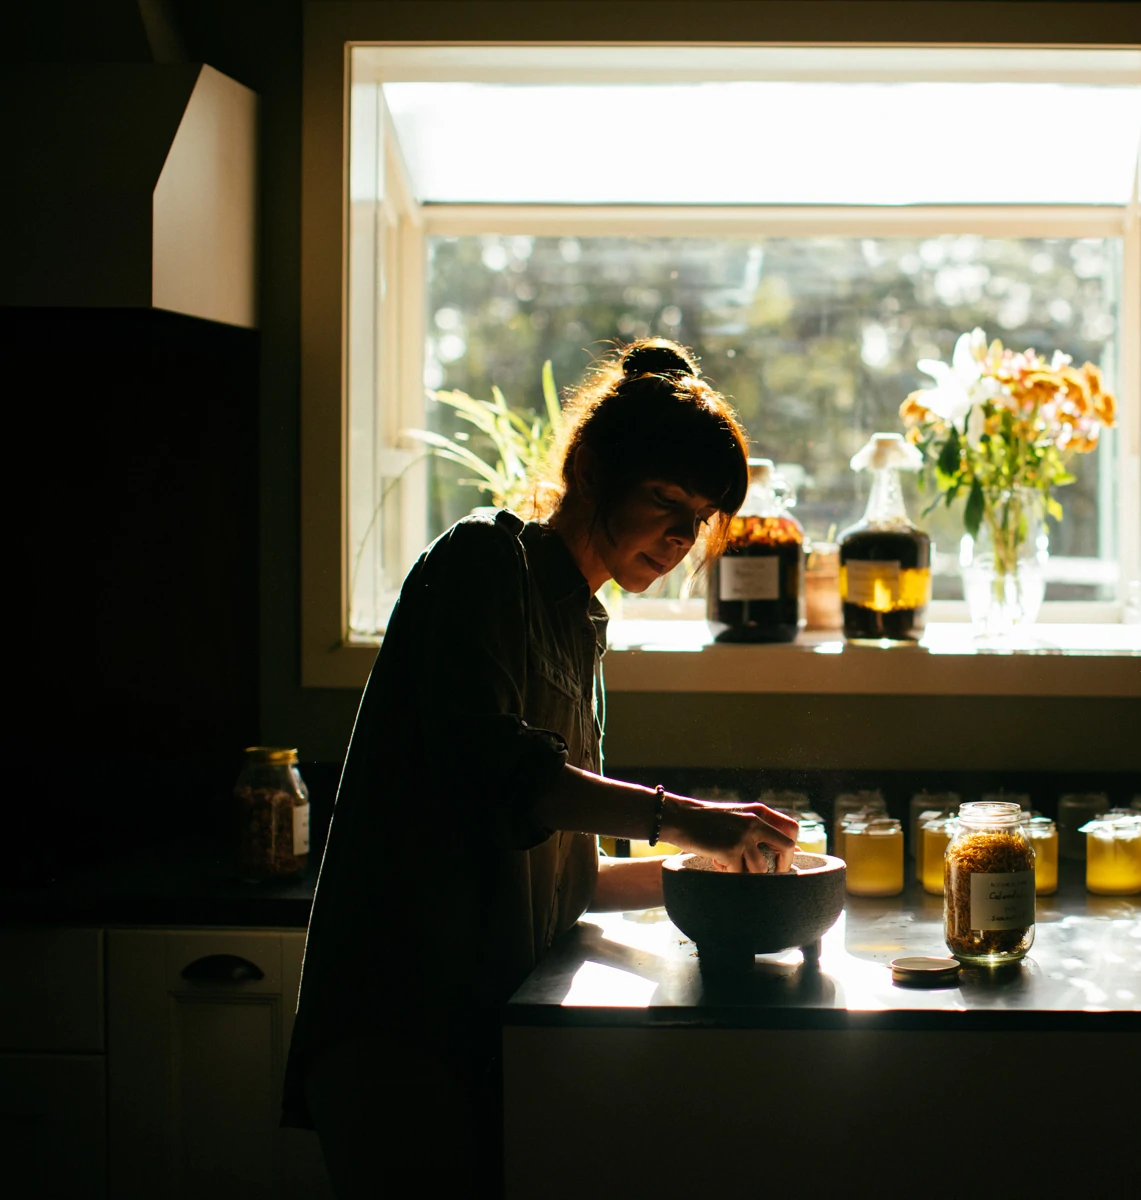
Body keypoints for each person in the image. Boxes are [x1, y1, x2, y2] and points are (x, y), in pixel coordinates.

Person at [281, 338, 797, 1196]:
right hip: (403, 1030)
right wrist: (689, 817)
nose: (680, 537)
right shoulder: (487, 560)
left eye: (697, 515)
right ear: (590, 471)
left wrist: (716, 865)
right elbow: (503, 777)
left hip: (488, 1028)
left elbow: (568, 871)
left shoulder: (582, 626)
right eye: (665, 499)